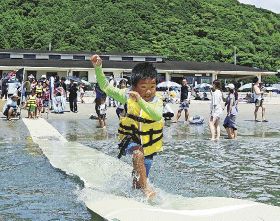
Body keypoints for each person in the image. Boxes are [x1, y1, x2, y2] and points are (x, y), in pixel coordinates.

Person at [91, 54, 163, 198]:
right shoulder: (127, 95)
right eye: (143, 87)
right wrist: (98, 68)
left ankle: (135, 195)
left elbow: (156, 116)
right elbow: (105, 86)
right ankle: (146, 191)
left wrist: (140, 101)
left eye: (152, 86)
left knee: (139, 180)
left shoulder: (157, 101)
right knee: (137, 154)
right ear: (134, 86)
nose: (148, 91)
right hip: (131, 139)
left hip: (149, 143)